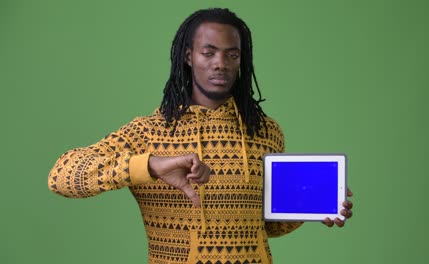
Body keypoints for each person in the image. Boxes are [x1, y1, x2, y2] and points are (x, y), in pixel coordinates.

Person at [48, 8, 353, 264]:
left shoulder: (266, 132)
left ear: (240, 61)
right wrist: (152, 166)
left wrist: (312, 206)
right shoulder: (148, 132)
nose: (221, 63)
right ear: (188, 56)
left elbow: (264, 226)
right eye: (209, 52)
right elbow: (62, 175)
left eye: (232, 54)